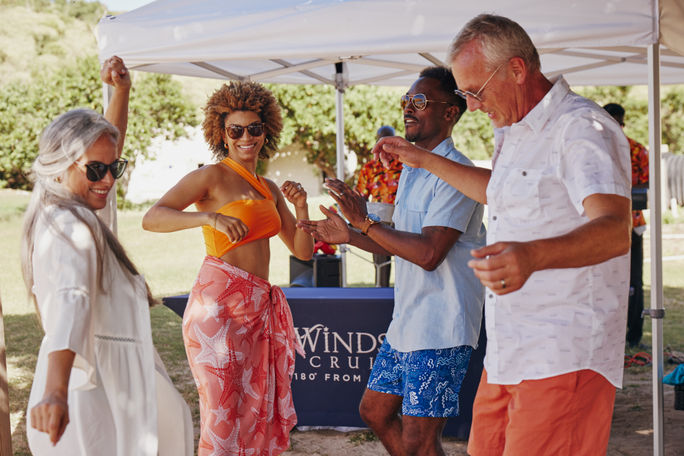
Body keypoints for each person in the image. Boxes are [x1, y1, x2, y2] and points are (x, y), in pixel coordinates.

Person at [374, 14, 632, 455]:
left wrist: (532, 255)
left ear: (516, 69)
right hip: (510, 349)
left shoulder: (580, 129)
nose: (472, 105)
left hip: (561, 351)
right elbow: (498, 191)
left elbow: (613, 230)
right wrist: (422, 159)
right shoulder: (513, 131)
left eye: (475, 90)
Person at [298, 66, 486, 456]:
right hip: (407, 322)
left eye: (420, 102)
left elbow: (429, 254)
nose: (408, 109)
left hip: (441, 327)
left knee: (421, 439)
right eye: (406, 101)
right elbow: (398, 243)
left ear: (450, 113)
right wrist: (348, 234)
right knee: (375, 412)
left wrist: (363, 221)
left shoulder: (459, 175)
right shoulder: (412, 170)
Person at [22, 57, 193, 455]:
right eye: (97, 170)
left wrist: (122, 92)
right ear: (61, 166)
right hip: (92, 390)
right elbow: (70, 299)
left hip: (116, 376)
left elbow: (105, 146)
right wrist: (56, 391)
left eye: (114, 167)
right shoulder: (68, 225)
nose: (109, 180)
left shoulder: (80, 204)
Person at [142, 81, 314, 456]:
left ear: (265, 131)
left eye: (254, 128)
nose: (246, 137)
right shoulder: (212, 176)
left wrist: (301, 208)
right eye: (236, 130)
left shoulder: (268, 187)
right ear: (223, 134)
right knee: (222, 418)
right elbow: (152, 218)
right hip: (217, 311)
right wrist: (209, 218)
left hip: (257, 312)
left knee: (253, 415)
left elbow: (303, 251)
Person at [604, 102, 650, 348]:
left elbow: (645, 190)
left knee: (633, 281)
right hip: (600, 226)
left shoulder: (636, 150)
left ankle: (633, 335)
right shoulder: (593, 148)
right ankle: (616, 335)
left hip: (628, 224)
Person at [355, 125, 401, 287]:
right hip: (380, 221)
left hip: (403, 221)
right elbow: (360, 196)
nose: (386, 146)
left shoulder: (406, 166)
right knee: (381, 261)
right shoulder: (369, 169)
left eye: (389, 142)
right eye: (381, 141)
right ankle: (381, 288)